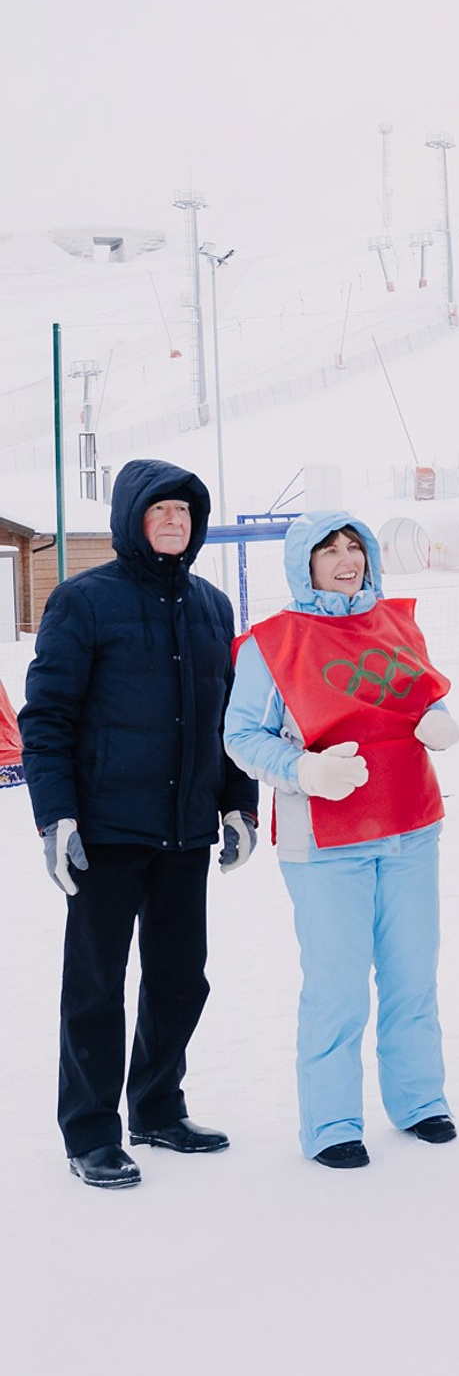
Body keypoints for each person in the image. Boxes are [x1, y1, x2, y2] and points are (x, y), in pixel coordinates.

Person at [19, 460, 258, 1189]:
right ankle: (90, 1131)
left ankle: (157, 1106)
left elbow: (230, 719)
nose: (175, 522)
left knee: (182, 978)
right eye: (161, 510)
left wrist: (237, 803)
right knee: (96, 986)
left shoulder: (213, 606)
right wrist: (55, 818)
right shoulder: (82, 602)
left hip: (185, 829)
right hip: (107, 831)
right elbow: (47, 717)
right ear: (131, 518)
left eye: (186, 512)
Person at [224, 512, 459, 1167]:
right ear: (305, 562)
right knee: (338, 984)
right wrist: (303, 770)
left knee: (413, 973)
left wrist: (437, 719)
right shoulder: (273, 643)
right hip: (325, 841)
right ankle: (331, 1124)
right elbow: (241, 736)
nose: (345, 558)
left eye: (354, 547)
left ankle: (419, 1101)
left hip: (411, 825)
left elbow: (419, 696)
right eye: (329, 550)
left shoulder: (396, 623)